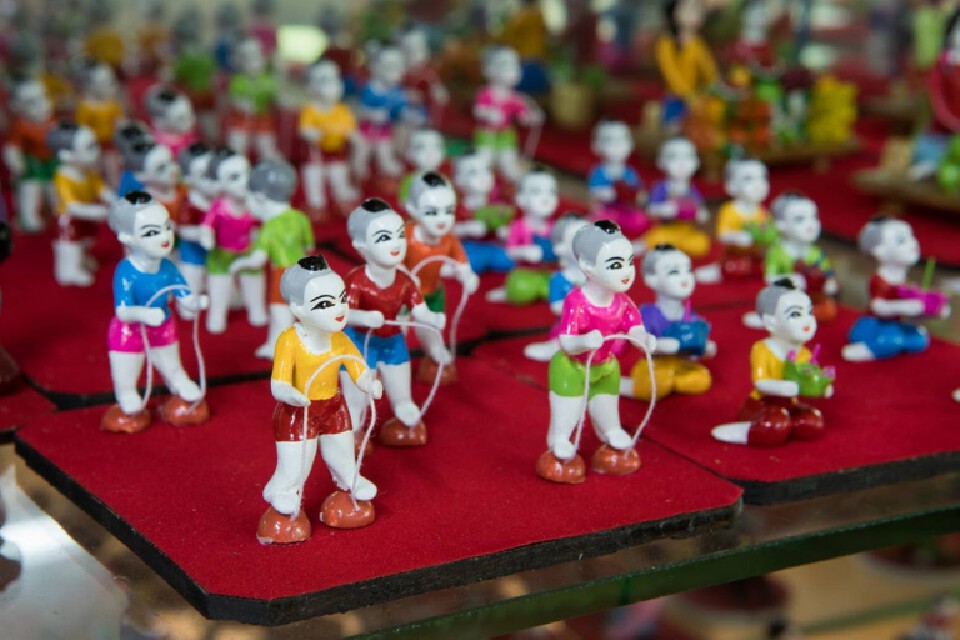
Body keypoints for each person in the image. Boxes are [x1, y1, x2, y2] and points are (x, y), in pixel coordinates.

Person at [258, 255, 383, 544]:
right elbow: (278, 383)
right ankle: (282, 492)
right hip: (297, 412)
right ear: (298, 309)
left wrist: (369, 383)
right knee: (296, 464)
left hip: (334, 407)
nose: (340, 310)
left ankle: (349, 480)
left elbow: (358, 368)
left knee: (342, 453)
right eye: (325, 304)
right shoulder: (289, 340)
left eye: (341, 299)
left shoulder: (340, 339)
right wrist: (291, 394)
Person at [538, 220, 655, 484]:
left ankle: (611, 431)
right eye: (615, 265)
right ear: (587, 266)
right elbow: (567, 342)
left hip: (606, 365)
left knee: (607, 406)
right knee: (568, 412)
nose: (626, 272)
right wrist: (585, 341)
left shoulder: (623, 302)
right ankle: (560, 439)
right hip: (572, 367)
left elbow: (635, 328)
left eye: (629, 262)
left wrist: (643, 339)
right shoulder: (577, 301)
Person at [341, 198, 445, 446]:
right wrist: (363, 317)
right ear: (361, 247)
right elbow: (343, 314)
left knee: (402, 397)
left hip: (393, 344)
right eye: (384, 238)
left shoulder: (405, 281)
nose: (396, 243)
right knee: (357, 402)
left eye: (399, 235)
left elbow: (420, 310)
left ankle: (403, 412)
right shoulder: (356, 280)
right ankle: (352, 430)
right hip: (359, 345)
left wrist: (433, 318)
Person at [102, 191, 209, 433]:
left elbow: (183, 293)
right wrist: (144, 315)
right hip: (130, 331)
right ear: (127, 237)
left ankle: (179, 383)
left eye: (166, 227)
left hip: (162, 326)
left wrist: (193, 302)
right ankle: (127, 393)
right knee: (127, 373)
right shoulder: (126, 271)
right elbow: (122, 311)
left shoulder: (168, 267)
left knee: (171, 364)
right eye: (151, 232)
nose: (164, 237)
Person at [713, 279, 831, 446]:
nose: (807, 321)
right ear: (771, 322)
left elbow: (810, 378)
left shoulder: (805, 354)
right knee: (776, 423)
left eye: (809, 312)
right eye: (795, 314)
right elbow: (760, 383)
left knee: (813, 422)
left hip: (789, 405)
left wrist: (822, 387)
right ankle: (747, 430)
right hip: (761, 404)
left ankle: (785, 426)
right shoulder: (762, 349)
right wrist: (785, 387)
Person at [228, 160, 314, 358]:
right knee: (298, 311)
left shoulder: (269, 228)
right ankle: (277, 343)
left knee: (279, 311)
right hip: (302, 271)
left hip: (282, 273)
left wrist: (237, 264)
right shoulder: (300, 217)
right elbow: (308, 247)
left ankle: (282, 347)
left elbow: (257, 260)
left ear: (259, 198)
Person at [404, 171, 479, 384]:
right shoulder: (404, 237)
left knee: (433, 328)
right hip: (403, 297)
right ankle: (386, 359)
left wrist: (468, 277)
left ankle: (434, 349)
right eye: (431, 212)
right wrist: (405, 278)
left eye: (448, 211)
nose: (442, 219)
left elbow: (462, 265)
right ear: (412, 209)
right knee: (395, 330)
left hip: (432, 294)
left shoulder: (449, 240)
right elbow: (392, 264)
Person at [843, 216, 950, 361]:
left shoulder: (905, 282)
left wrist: (933, 310)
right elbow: (878, 307)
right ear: (879, 251)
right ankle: (868, 349)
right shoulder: (880, 280)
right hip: (874, 323)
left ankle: (891, 343)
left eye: (911, 236)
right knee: (893, 340)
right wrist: (908, 306)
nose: (912, 243)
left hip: (896, 323)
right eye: (901, 240)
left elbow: (915, 310)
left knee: (919, 340)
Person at [621, 244, 713, 400]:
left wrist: (705, 347)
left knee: (702, 379)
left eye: (688, 270)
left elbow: (700, 344)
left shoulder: (690, 314)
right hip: (655, 364)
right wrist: (661, 345)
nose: (685, 277)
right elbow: (638, 339)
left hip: (679, 363)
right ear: (651, 279)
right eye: (674, 272)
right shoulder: (648, 313)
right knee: (654, 386)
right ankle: (623, 386)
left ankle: (671, 382)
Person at [48, 122, 113, 286]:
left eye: (95, 145)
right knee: (71, 244)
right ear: (66, 155)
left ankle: (82, 260)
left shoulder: (89, 173)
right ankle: (68, 271)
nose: (96, 151)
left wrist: (114, 199)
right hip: (70, 219)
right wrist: (98, 211)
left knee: (86, 241)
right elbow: (71, 206)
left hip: (87, 217)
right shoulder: (63, 178)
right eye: (89, 148)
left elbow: (101, 189)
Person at [473, 46, 543, 183]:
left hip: (506, 137)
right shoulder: (486, 93)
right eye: (505, 65)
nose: (511, 71)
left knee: (509, 164)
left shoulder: (516, 98)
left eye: (514, 66)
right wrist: (489, 114)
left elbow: (523, 117)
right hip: (487, 135)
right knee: (483, 161)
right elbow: (478, 110)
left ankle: (514, 182)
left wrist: (532, 117)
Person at [298, 58, 360, 214]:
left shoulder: (342, 111)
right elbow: (304, 129)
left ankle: (342, 198)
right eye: (324, 81)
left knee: (338, 175)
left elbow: (351, 131)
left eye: (334, 79)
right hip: (315, 153)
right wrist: (311, 133)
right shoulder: (310, 109)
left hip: (336, 153)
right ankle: (316, 203)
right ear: (311, 86)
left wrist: (354, 137)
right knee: (313, 176)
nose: (331, 86)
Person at [644, 137, 711, 258]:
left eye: (688, 157)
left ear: (696, 163)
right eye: (673, 157)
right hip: (666, 230)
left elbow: (702, 211)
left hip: (686, 231)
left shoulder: (692, 190)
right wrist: (666, 210)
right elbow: (650, 210)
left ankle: (677, 247)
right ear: (661, 162)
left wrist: (699, 213)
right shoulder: (661, 188)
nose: (681, 163)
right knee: (656, 239)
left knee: (701, 243)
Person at [3, 79, 56, 232]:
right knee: (30, 190)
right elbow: (12, 147)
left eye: (42, 98)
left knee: (54, 188)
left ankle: (55, 212)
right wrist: (15, 160)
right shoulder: (20, 126)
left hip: (51, 163)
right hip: (31, 165)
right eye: (32, 102)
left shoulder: (52, 121)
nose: (40, 105)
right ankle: (28, 216)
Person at [655, 0, 718, 126]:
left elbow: (709, 71)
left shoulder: (698, 44)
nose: (693, 13)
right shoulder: (666, 43)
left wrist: (714, 87)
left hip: (696, 101)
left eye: (696, 10)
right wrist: (689, 96)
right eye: (688, 9)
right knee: (673, 129)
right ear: (675, 13)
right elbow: (672, 75)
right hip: (676, 99)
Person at [588, 120, 650, 237]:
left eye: (622, 140)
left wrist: (638, 196)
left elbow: (638, 190)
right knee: (601, 221)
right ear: (597, 146)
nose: (617, 145)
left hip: (625, 209)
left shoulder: (629, 172)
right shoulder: (599, 172)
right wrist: (609, 194)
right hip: (607, 210)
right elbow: (595, 193)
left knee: (640, 220)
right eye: (610, 140)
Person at [716, 158, 773, 279]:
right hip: (735, 255)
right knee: (732, 268)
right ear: (731, 186)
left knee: (763, 267)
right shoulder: (729, 210)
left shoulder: (762, 212)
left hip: (755, 256)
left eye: (762, 178)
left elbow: (768, 231)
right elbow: (722, 235)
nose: (758, 185)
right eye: (748, 179)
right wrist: (737, 237)